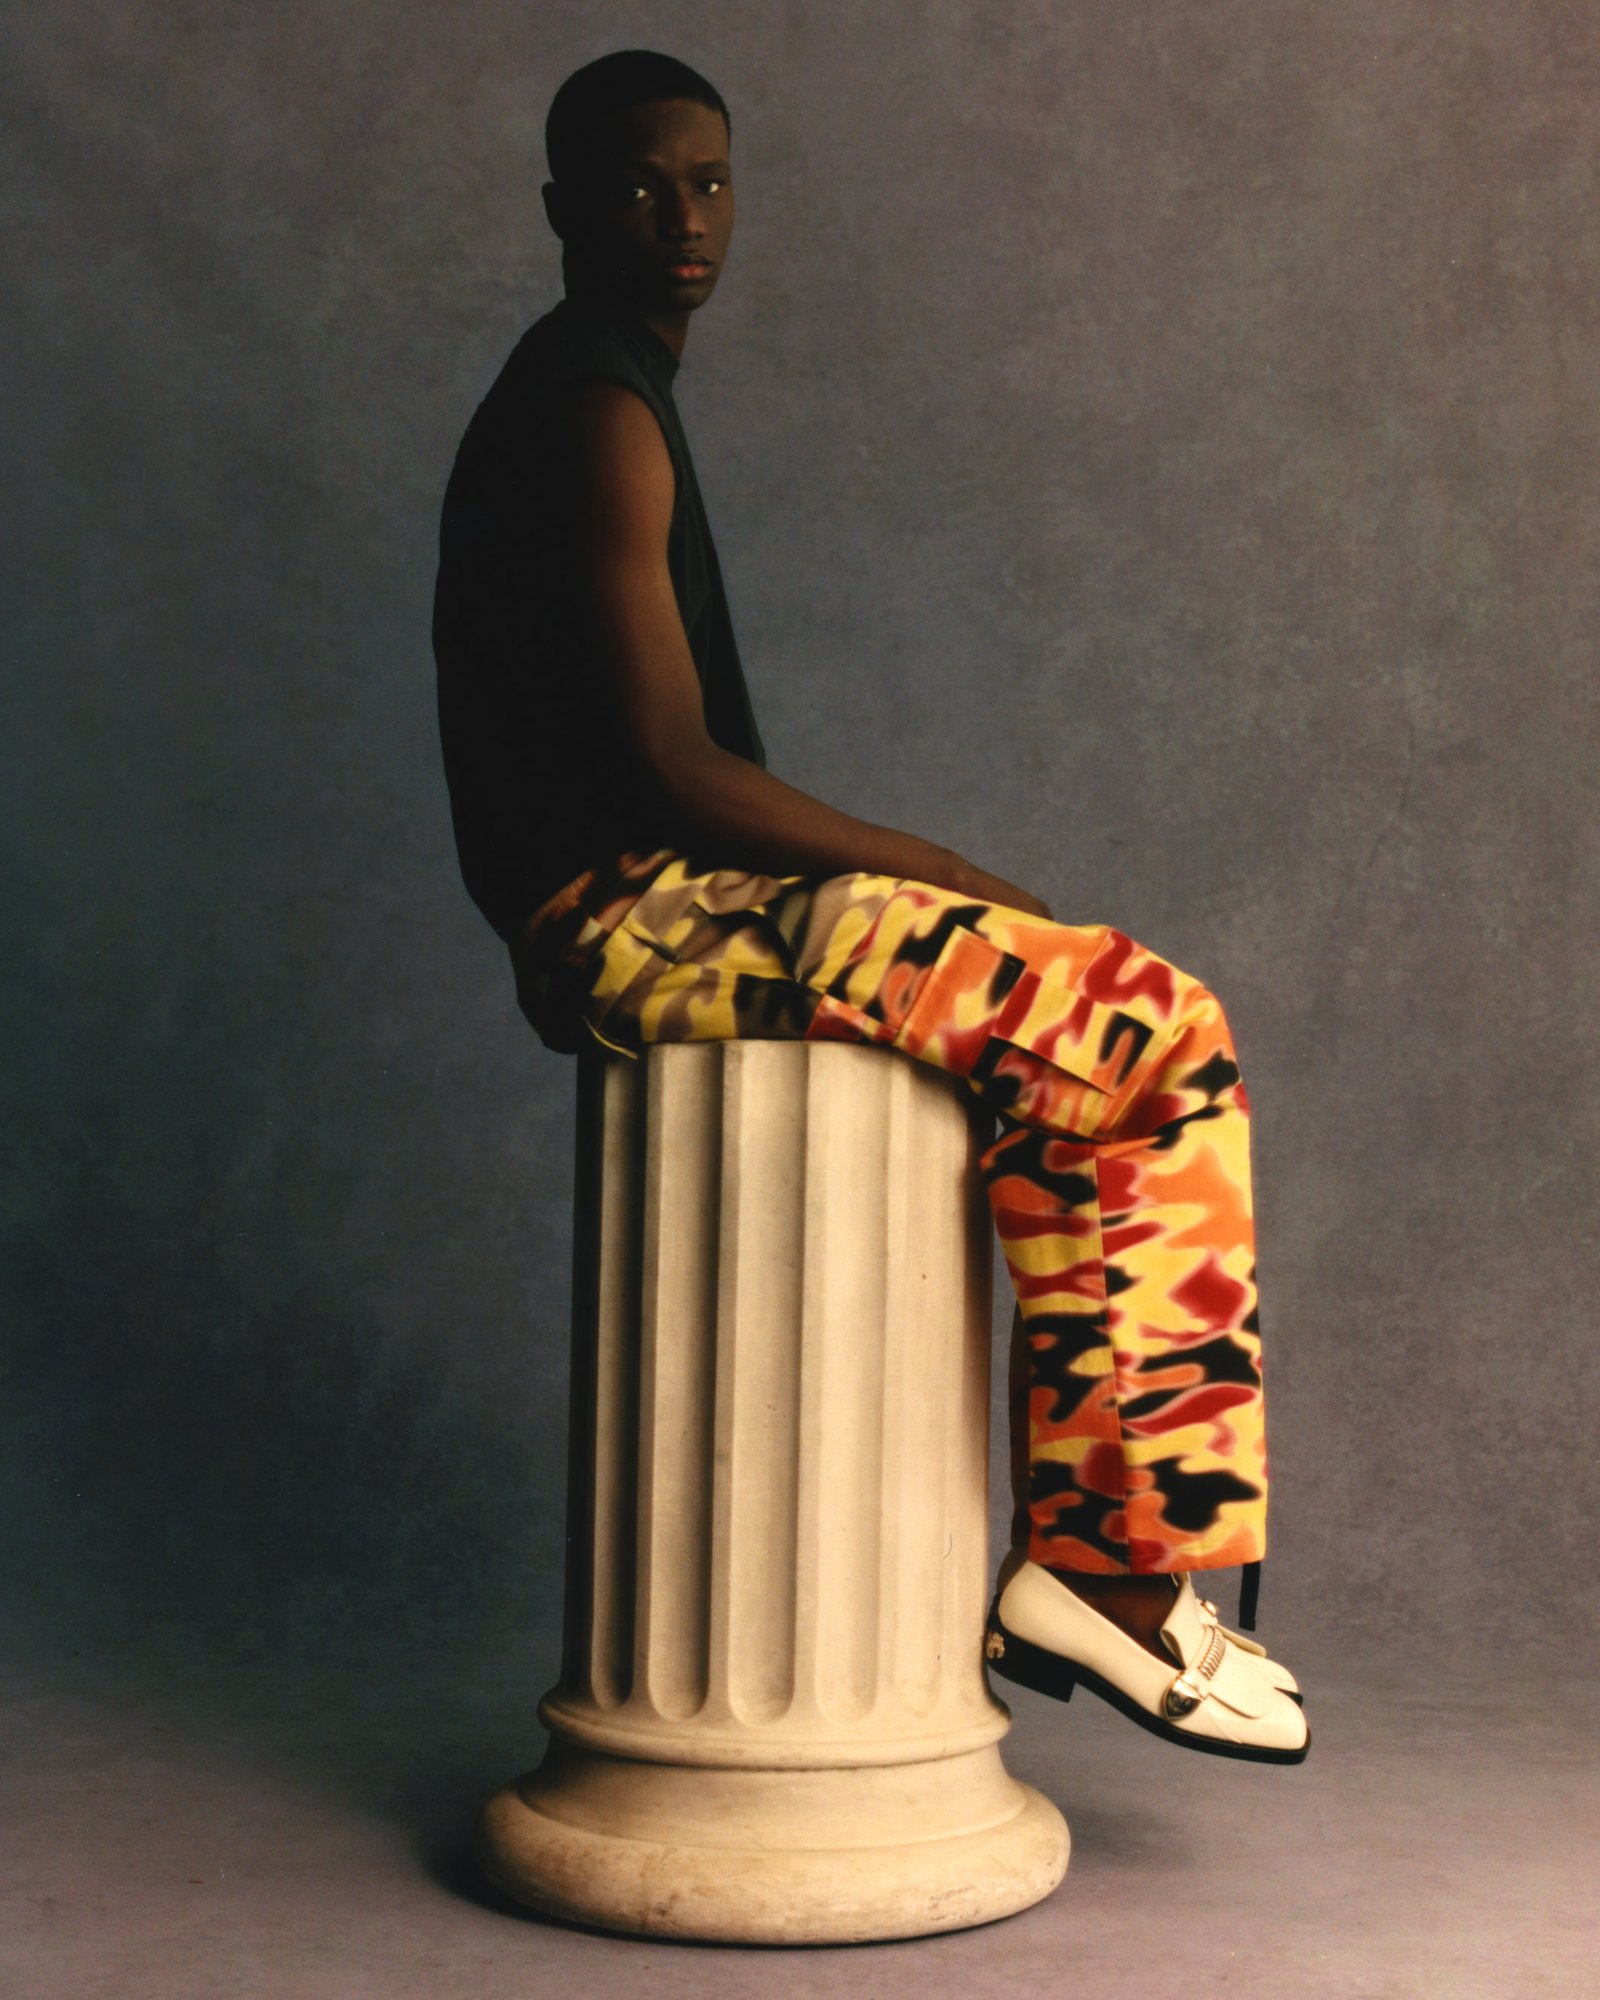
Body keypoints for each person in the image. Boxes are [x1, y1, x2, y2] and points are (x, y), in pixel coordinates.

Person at [432, 48, 1308, 1764]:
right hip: (627, 910)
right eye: (637, 184)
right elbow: (669, 765)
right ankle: (1114, 1581)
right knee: (1151, 1026)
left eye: (708, 180)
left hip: (666, 894)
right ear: (563, 209)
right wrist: (944, 870)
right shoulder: (593, 404)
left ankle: (1101, 1565)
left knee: (1096, 1057)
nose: (682, 216)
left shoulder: (608, 386)